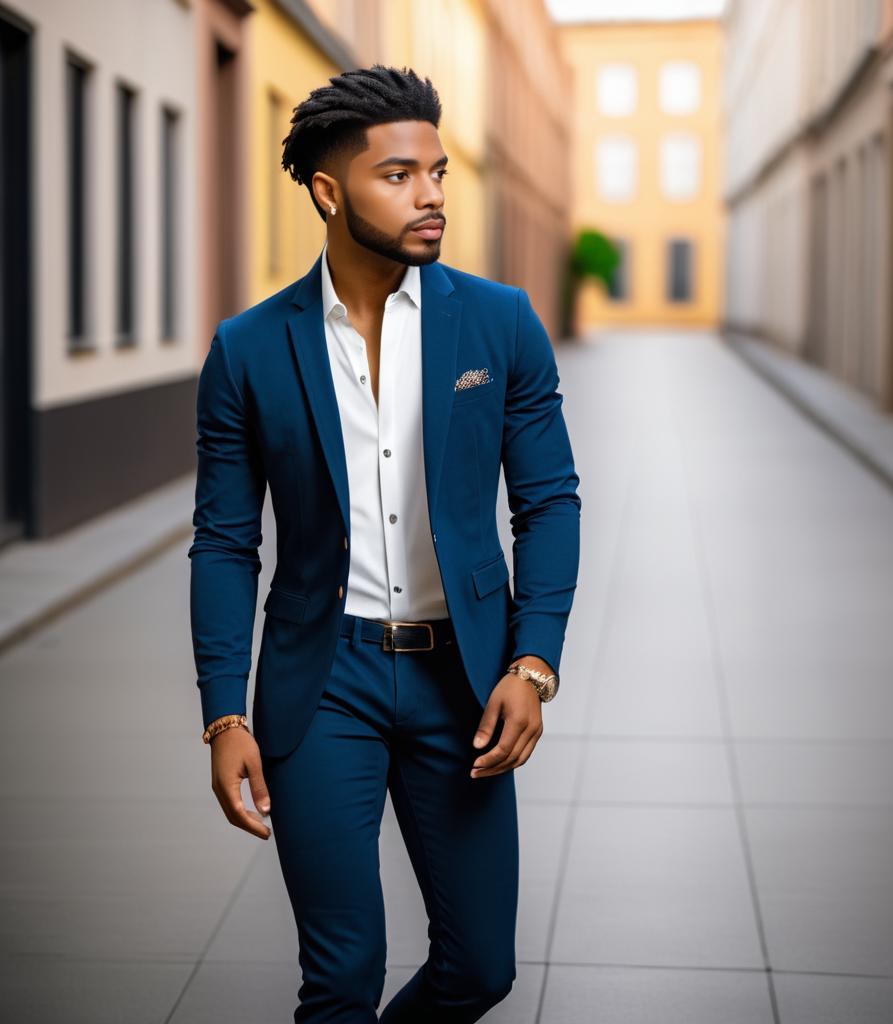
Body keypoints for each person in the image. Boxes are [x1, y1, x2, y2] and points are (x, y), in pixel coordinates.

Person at [187, 64, 581, 1022]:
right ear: (330, 192)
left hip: (465, 681)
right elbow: (225, 542)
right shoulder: (248, 348)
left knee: (481, 967)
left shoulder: (499, 323)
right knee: (342, 976)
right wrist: (223, 715)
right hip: (324, 684)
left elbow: (550, 502)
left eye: (438, 172)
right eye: (399, 175)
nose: (433, 194)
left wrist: (532, 665)